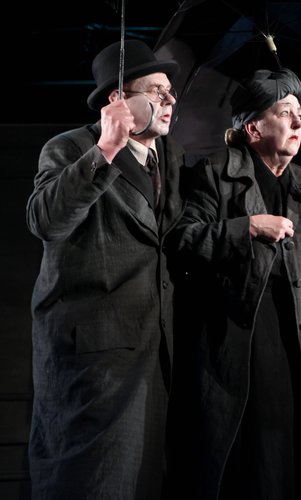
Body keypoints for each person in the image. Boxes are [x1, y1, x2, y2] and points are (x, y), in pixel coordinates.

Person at [168, 68, 301, 500]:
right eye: (285, 113)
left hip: (296, 334)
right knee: (252, 460)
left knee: (292, 451)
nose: (298, 122)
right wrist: (246, 227)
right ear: (253, 128)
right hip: (242, 334)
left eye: (300, 113)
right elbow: (182, 241)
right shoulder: (215, 172)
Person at [25, 39, 184, 499]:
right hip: (94, 361)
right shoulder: (69, 147)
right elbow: (46, 221)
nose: (170, 100)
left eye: (171, 91)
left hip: (155, 354)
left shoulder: (170, 158)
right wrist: (106, 149)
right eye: (156, 91)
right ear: (118, 98)